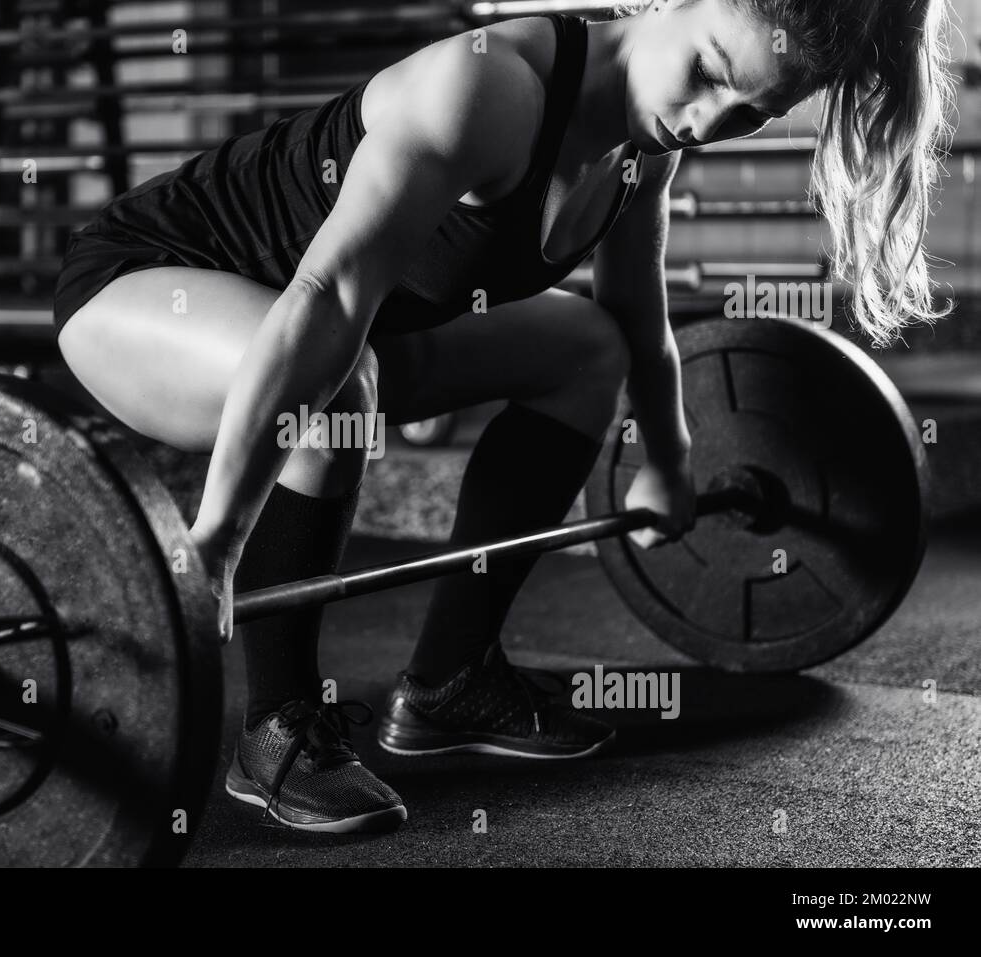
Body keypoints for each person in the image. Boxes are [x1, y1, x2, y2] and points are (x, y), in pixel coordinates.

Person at [53, 0, 956, 833]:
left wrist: (673, 458)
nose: (710, 120)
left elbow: (636, 314)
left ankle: (450, 680)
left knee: (585, 348)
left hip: (332, 328)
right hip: (141, 287)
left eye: (753, 113)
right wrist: (213, 545)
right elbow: (325, 298)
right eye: (713, 71)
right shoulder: (488, 87)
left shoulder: (648, 145)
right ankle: (276, 723)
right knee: (341, 392)